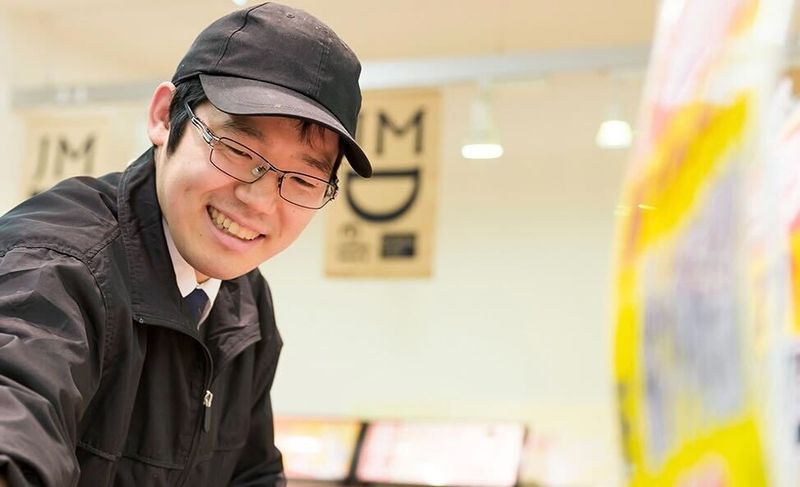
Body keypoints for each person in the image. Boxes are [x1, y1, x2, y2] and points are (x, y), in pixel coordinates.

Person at [0, 3, 372, 486]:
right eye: (237, 149)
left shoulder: (245, 299)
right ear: (163, 117)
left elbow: (252, 473)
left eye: (302, 179)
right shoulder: (56, 266)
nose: (259, 201)